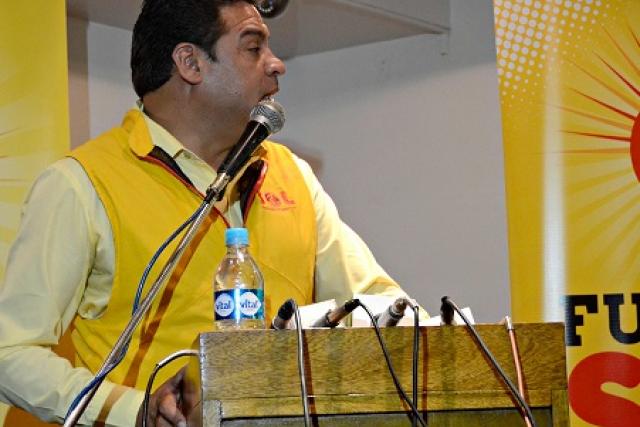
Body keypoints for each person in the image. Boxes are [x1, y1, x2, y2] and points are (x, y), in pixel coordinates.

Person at [0, 1, 410, 426]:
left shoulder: (293, 176)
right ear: (190, 63)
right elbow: (10, 353)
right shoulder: (81, 184)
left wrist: (416, 324)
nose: (277, 65)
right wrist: (133, 410)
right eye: (253, 48)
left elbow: (378, 304)